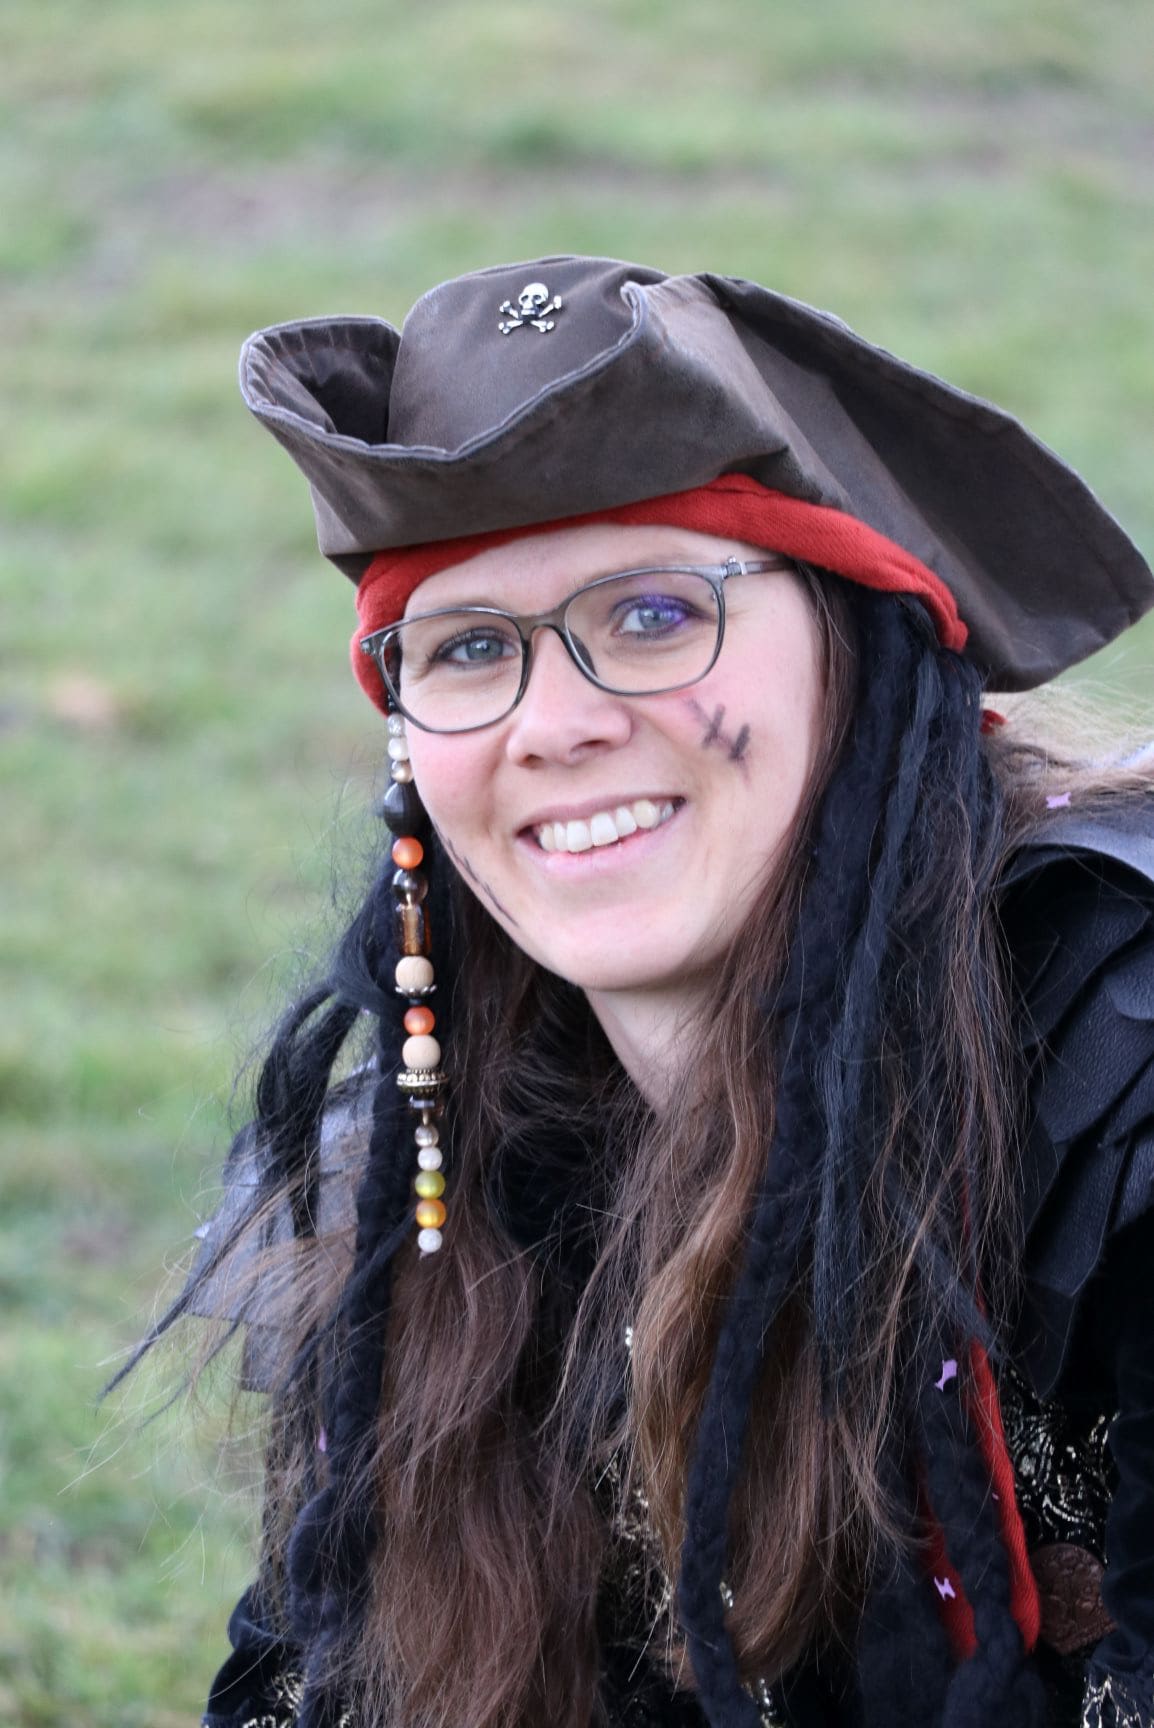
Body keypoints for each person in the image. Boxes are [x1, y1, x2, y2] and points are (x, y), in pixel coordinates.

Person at [157, 257, 1154, 1727]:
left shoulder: (1123, 1090)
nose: (554, 725)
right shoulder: (425, 1173)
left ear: (862, 649)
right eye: (470, 647)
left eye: (650, 616)